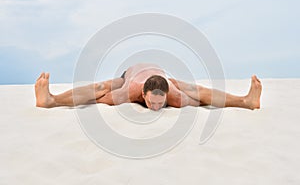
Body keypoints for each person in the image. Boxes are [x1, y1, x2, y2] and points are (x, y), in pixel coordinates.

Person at [35, 63, 262, 111]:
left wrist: (239, 101)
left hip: (164, 75)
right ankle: (51, 100)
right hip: (130, 73)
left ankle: (246, 101)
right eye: (151, 103)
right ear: (142, 95)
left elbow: (203, 97)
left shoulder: (172, 95)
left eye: (159, 103)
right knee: (104, 87)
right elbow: (96, 94)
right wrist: (58, 100)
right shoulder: (130, 91)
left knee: (194, 92)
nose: (155, 108)